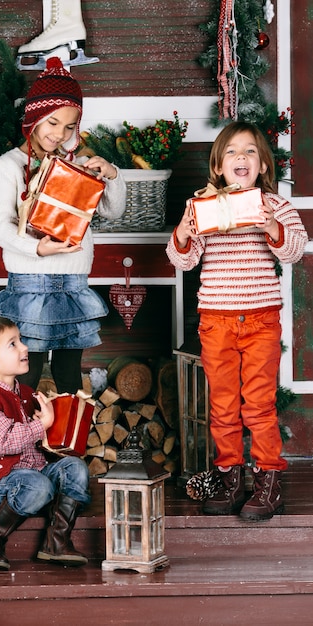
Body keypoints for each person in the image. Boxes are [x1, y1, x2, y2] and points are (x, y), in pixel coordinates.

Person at [166, 121, 308, 521]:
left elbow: (294, 250)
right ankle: (230, 476)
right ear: (218, 165)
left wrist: (271, 227)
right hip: (216, 320)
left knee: (259, 406)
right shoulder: (205, 207)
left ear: (263, 164)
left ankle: (268, 481)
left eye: (249, 151)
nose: (240, 158)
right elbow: (183, 259)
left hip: (261, 319)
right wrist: (183, 230)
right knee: (223, 405)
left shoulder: (275, 205)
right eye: (231, 151)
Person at [0, 56, 126, 395]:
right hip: (29, 284)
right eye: (52, 123)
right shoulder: (7, 166)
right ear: (34, 117)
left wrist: (112, 176)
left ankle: (64, 446)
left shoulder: (77, 166)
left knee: (67, 373)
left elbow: (113, 211)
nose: (59, 134)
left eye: (68, 126)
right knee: (26, 371)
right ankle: (21, 444)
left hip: (74, 284)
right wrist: (37, 248)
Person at [0, 315, 91, 570]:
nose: (25, 347)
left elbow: (39, 441)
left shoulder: (27, 393)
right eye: (13, 344)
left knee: (75, 467)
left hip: (35, 477)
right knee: (36, 484)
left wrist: (58, 426)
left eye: (21, 340)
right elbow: (5, 442)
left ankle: (57, 541)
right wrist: (40, 425)